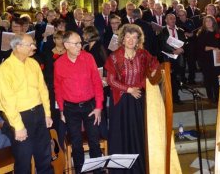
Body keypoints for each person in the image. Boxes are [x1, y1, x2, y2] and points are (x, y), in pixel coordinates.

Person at [105, 24, 159, 173]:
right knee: (120, 135)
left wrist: (142, 84)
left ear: (138, 40)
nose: (130, 40)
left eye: (134, 37)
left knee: (137, 134)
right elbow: (111, 80)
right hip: (120, 101)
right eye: (128, 37)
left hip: (138, 99)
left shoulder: (143, 54)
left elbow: (155, 66)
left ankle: (138, 168)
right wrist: (129, 89)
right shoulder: (114, 56)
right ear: (122, 38)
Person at [0, 33, 53, 173]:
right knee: (23, 160)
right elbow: (7, 101)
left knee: (45, 158)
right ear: (18, 47)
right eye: (30, 44)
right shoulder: (4, 69)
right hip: (20, 118)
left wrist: (47, 114)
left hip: (39, 114)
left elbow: (43, 89)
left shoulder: (33, 63)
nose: (33, 47)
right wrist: (18, 126)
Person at [54, 31, 104, 174]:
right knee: (76, 144)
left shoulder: (88, 58)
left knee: (94, 142)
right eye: (76, 43)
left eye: (80, 43)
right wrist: (62, 110)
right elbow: (58, 89)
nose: (80, 46)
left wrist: (99, 107)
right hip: (70, 109)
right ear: (66, 45)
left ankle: (98, 172)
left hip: (90, 106)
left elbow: (97, 83)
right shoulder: (59, 63)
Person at [196, 15, 220, 102]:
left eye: (210, 21)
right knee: (209, 79)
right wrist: (212, 48)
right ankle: (210, 97)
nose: (208, 23)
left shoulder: (218, 32)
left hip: (218, 59)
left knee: (219, 78)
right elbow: (201, 47)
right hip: (207, 59)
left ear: (213, 22)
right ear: (204, 23)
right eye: (206, 21)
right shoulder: (201, 33)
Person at [158, 13, 186, 104]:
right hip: (167, 58)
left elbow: (185, 43)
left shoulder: (181, 31)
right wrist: (172, 51)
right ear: (166, 20)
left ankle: (176, 98)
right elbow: (161, 44)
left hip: (179, 58)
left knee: (177, 79)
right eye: (170, 18)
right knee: (168, 79)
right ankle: (168, 99)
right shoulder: (162, 30)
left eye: (174, 18)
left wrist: (181, 49)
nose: (173, 20)